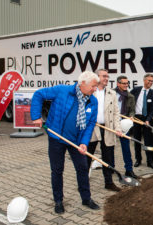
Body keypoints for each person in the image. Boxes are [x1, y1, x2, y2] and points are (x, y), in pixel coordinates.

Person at [31, 71, 100, 214]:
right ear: (83, 83)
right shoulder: (62, 91)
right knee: (57, 170)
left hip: (76, 141)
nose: (95, 89)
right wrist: (36, 116)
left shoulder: (93, 101)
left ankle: (86, 198)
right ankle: (58, 201)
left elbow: (90, 123)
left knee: (82, 168)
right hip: (57, 139)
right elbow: (39, 94)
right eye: (93, 86)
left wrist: (84, 142)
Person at [86, 69, 122, 192]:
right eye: (104, 76)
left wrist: (118, 128)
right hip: (92, 128)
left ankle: (109, 182)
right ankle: (83, 182)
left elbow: (116, 113)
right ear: (96, 77)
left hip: (107, 128)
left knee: (108, 157)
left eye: (107, 76)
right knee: (87, 156)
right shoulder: (90, 91)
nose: (107, 78)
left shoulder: (111, 93)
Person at [130, 74, 153, 169]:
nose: (150, 83)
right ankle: (138, 159)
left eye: (152, 81)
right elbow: (129, 101)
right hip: (136, 118)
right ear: (144, 80)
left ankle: (150, 161)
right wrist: (130, 114)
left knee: (148, 141)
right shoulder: (136, 90)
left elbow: (152, 110)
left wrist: (148, 120)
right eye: (149, 80)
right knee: (137, 140)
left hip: (146, 120)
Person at [114, 75, 138, 179]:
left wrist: (131, 117)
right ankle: (111, 168)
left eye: (127, 83)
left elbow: (132, 110)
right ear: (118, 83)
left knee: (126, 147)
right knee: (109, 147)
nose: (126, 85)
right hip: (111, 122)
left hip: (123, 123)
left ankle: (129, 169)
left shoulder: (130, 96)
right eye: (123, 83)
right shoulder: (110, 93)